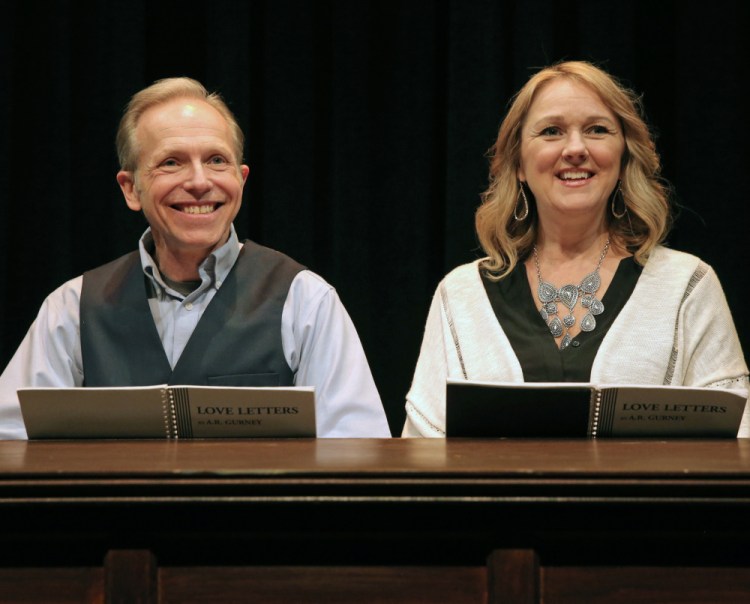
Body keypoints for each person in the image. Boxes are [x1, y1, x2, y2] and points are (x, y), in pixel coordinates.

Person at [0, 77, 390, 439]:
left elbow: (355, 452)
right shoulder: (72, 308)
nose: (200, 182)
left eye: (217, 160)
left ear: (241, 179)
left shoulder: (306, 301)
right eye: (171, 162)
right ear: (130, 188)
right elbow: (11, 445)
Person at [402, 60, 749, 437]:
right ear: (519, 162)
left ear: (624, 157)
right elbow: (424, 449)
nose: (576, 149)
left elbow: (736, 442)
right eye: (551, 131)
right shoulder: (460, 294)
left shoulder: (687, 286)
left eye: (597, 130)